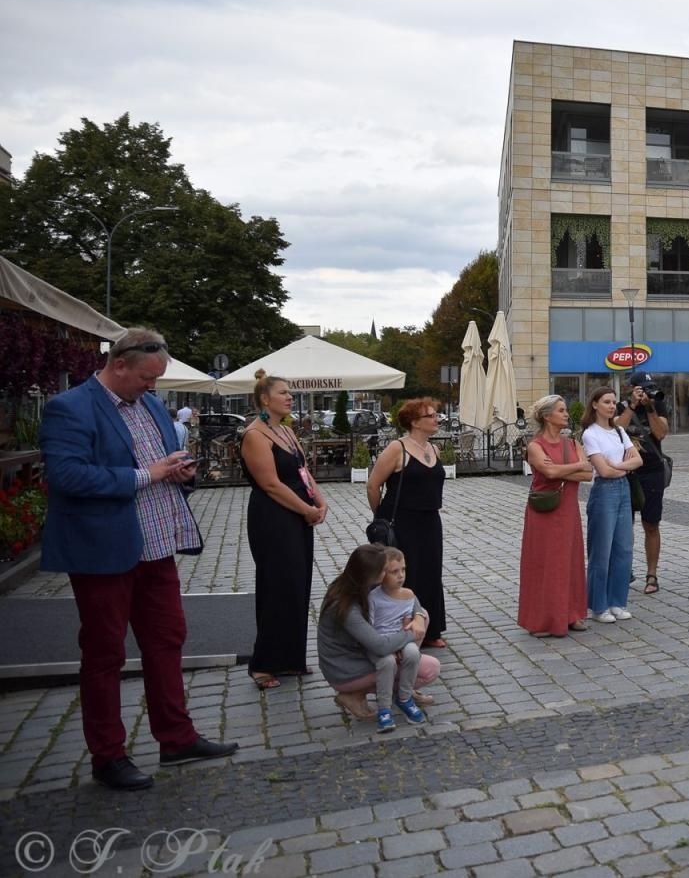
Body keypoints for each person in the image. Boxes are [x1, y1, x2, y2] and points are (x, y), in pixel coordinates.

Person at [38, 327, 238, 790]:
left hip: (156, 545)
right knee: (105, 653)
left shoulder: (148, 404)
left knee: (168, 640)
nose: (153, 388)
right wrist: (145, 474)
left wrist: (180, 472)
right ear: (120, 364)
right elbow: (67, 476)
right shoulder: (70, 408)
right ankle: (107, 755)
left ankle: (176, 738)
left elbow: (163, 464)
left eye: (158, 380)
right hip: (102, 551)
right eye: (148, 378)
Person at [241, 370, 328, 690]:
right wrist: (306, 509)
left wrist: (320, 500)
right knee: (277, 585)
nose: (290, 397)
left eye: (291, 393)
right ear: (265, 399)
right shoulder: (255, 434)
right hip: (273, 517)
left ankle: (290, 658)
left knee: (297, 584)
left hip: (298, 515)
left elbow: (302, 470)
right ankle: (263, 663)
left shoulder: (286, 431)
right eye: (284, 393)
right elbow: (270, 484)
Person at [319, 544, 440, 723]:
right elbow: (380, 647)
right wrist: (412, 633)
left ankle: (404, 686)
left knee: (421, 617)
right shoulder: (345, 605)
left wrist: (419, 616)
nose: (392, 573)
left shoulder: (354, 583)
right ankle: (354, 694)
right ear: (371, 575)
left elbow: (409, 598)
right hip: (346, 668)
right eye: (386, 570)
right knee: (429, 668)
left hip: (365, 648)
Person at [367, 398, 448, 647]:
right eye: (431, 416)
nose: (436, 419)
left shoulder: (434, 450)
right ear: (414, 422)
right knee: (404, 573)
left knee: (431, 571)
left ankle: (431, 629)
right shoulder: (397, 448)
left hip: (430, 519)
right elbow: (373, 485)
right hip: (402, 519)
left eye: (436, 415)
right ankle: (401, 628)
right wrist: (380, 516)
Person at [520, 394, 592, 637]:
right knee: (544, 564)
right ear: (547, 416)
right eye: (561, 410)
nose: (566, 414)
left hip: (568, 512)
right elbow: (548, 472)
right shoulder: (535, 446)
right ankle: (542, 620)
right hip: (544, 514)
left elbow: (588, 475)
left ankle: (571, 614)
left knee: (569, 562)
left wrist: (561, 470)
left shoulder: (573, 443)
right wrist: (575, 466)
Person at [581, 385, 643, 623]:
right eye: (606, 401)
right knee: (602, 550)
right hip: (604, 493)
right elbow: (602, 470)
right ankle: (598, 605)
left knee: (624, 548)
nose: (611, 405)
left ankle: (617, 601)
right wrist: (618, 468)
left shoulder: (618, 431)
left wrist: (616, 466)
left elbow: (637, 460)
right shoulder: (590, 433)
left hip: (624, 490)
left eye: (613, 401)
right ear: (595, 404)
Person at [618, 371, 671, 595]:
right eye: (643, 388)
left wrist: (649, 407)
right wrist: (632, 406)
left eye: (650, 387)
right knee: (623, 526)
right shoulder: (620, 406)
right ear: (632, 388)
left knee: (651, 524)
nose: (647, 391)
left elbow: (660, 434)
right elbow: (616, 430)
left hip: (652, 472)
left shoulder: (658, 405)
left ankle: (652, 574)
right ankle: (624, 569)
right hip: (627, 473)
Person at [367, 547, 429, 733]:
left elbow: (416, 615)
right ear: (381, 574)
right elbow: (369, 629)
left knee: (412, 653)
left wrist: (416, 618)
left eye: (403, 570)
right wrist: (387, 647)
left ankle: (405, 697)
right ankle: (384, 708)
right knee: (386, 662)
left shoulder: (409, 595)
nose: (400, 575)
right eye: (394, 572)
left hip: (402, 641)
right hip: (381, 644)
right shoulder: (373, 598)